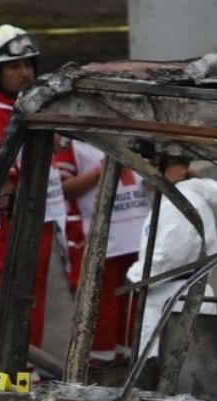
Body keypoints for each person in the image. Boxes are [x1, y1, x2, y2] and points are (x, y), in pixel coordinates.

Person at [0, 23, 66, 348]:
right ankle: (16, 368)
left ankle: (30, 366)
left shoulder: (25, 109)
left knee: (33, 296)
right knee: (18, 296)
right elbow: (4, 178)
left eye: (28, 64)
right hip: (15, 222)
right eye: (13, 66)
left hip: (40, 216)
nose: (24, 73)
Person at [126, 144, 217, 361]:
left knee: (169, 373)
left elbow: (169, 256)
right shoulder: (173, 200)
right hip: (172, 298)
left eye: (153, 165)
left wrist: (134, 277)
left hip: (176, 300)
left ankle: (29, 384)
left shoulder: (182, 202)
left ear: (179, 169)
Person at [61, 137, 150, 365]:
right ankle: (98, 364)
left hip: (137, 235)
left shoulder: (136, 136)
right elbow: (62, 188)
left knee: (132, 302)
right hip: (100, 237)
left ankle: (127, 359)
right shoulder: (74, 144)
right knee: (101, 304)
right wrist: (103, 171)